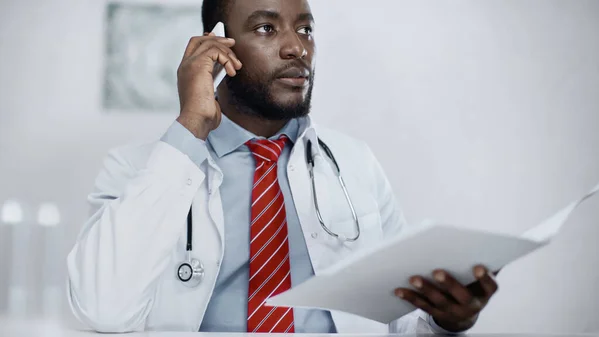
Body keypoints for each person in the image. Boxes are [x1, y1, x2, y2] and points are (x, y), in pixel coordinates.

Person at [66, 0, 499, 334]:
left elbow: (399, 321)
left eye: (305, 29)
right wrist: (190, 127)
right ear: (216, 46)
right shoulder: (139, 168)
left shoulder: (355, 164)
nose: (296, 47)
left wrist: (448, 321)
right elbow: (102, 309)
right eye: (266, 27)